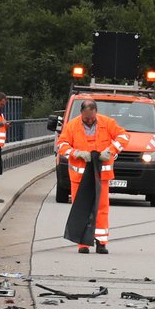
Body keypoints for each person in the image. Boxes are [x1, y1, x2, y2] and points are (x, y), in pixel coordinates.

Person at [55, 98, 127, 255]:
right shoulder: (72, 125)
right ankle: (83, 244)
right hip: (79, 177)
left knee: (101, 208)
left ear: (96, 113)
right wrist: (77, 153)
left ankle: (101, 242)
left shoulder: (107, 123)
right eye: (86, 118)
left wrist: (111, 150)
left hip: (101, 175)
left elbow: (123, 137)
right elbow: (61, 145)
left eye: (92, 118)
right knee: (81, 209)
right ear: (81, 113)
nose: (89, 121)